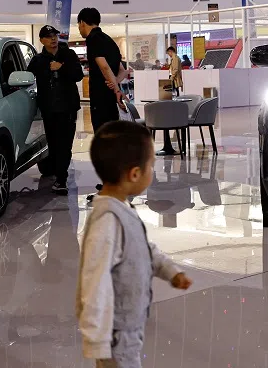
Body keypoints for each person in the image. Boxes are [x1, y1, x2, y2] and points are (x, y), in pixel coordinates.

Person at [77, 121, 192, 367]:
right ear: (135, 174)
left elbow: (143, 248)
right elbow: (93, 282)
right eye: (151, 165)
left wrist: (170, 271)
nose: (153, 170)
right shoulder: (106, 222)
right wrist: (97, 342)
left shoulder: (120, 208)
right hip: (114, 338)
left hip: (127, 329)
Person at [28, 25, 84, 195]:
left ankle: (61, 179)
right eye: (48, 36)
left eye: (55, 35)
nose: (53, 39)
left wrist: (61, 68)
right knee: (53, 144)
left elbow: (78, 75)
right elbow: (27, 78)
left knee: (65, 144)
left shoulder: (69, 54)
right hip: (49, 108)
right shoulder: (38, 60)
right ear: (42, 40)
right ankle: (58, 173)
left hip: (67, 107)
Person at [78, 8, 125, 132]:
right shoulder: (109, 40)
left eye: (78, 24)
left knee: (102, 136)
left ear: (82, 22)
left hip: (100, 98)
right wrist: (114, 82)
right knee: (113, 133)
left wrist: (116, 88)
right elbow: (123, 70)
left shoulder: (93, 39)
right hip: (111, 100)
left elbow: (103, 65)